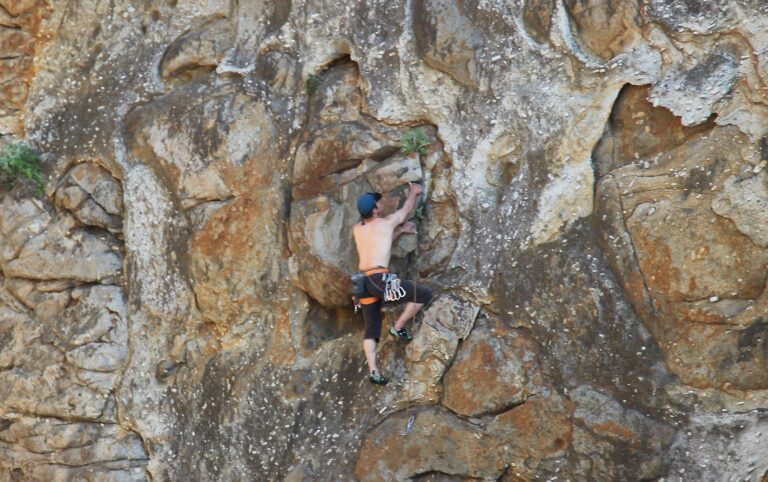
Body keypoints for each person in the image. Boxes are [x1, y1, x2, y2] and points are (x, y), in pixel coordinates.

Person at [353, 183, 433, 385]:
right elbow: (405, 211)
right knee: (422, 294)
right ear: (375, 209)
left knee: (371, 327)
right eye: (377, 203)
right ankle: (398, 326)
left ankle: (373, 371)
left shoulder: (357, 229)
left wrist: (400, 232)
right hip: (380, 280)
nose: (380, 204)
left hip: (362, 282)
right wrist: (414, 192)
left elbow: (377, 243)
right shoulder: (386, 223)